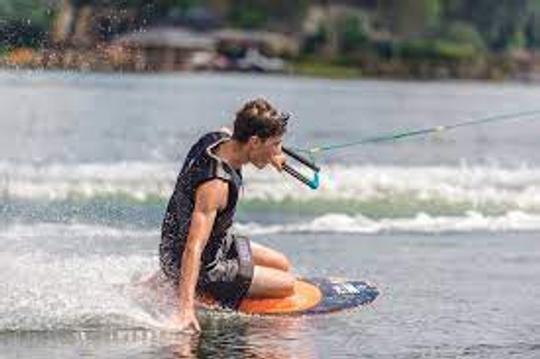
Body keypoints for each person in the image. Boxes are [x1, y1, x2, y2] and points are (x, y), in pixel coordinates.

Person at [159, 98, 295, 332]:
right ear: (253, 141)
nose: (278, 150)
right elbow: (194, 247)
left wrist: (270, 155)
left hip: (189, 245)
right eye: (275, 144)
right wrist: (185, 309)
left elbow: (232, 131)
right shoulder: (216, 185)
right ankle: (183, 283)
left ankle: (166, 275)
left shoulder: (217, 139)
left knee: (282, 263)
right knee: (287, 283)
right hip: (205, 266)